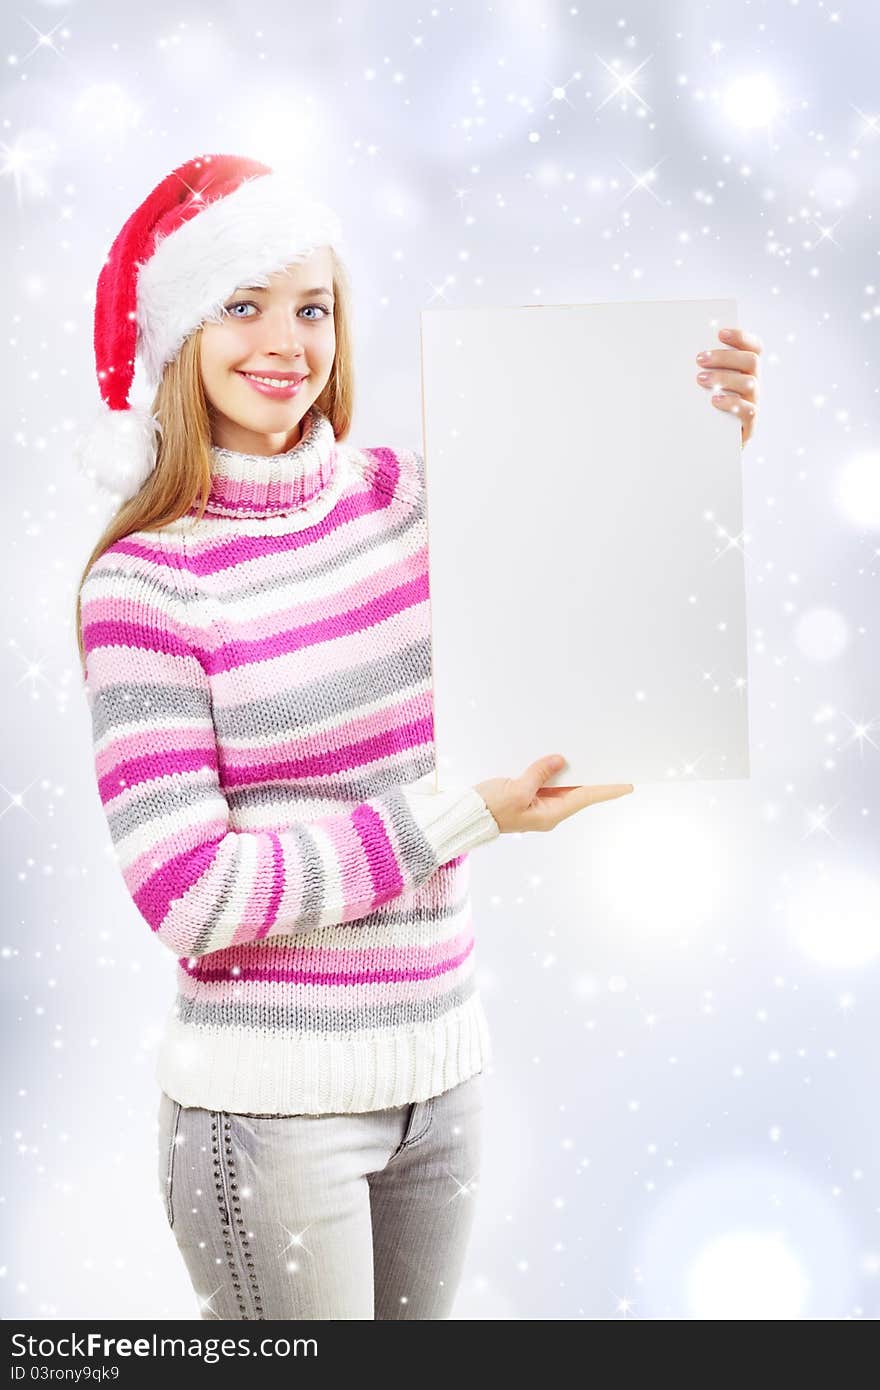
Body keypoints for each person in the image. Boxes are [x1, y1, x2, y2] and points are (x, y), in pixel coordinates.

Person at [73, 153, 759, 1322]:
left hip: (443, 1078)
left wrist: (695, 432)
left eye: (313, 305)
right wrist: (457, 813)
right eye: (242, 304)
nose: (286, 340)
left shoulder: (405, 498)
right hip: (270, 1116)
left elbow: (578, 548)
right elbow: (190, 892)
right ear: (180, 335)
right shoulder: (145, 584)